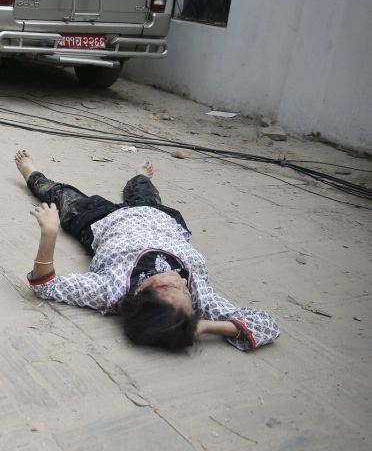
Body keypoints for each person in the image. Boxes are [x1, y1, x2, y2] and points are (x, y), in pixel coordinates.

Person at [15, 149, 279, 351]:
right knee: (142, 187)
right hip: (157, 217)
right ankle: (140, 176)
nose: (185, 283)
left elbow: (45, 286)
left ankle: (31, 173)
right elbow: (267, 324)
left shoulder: (111, 290)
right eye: (186, 291)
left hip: (101, 221)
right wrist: (198, 324)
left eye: (174, 288)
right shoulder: (199, 297)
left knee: (59, 194)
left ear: (141, 291)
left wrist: (49, 233)